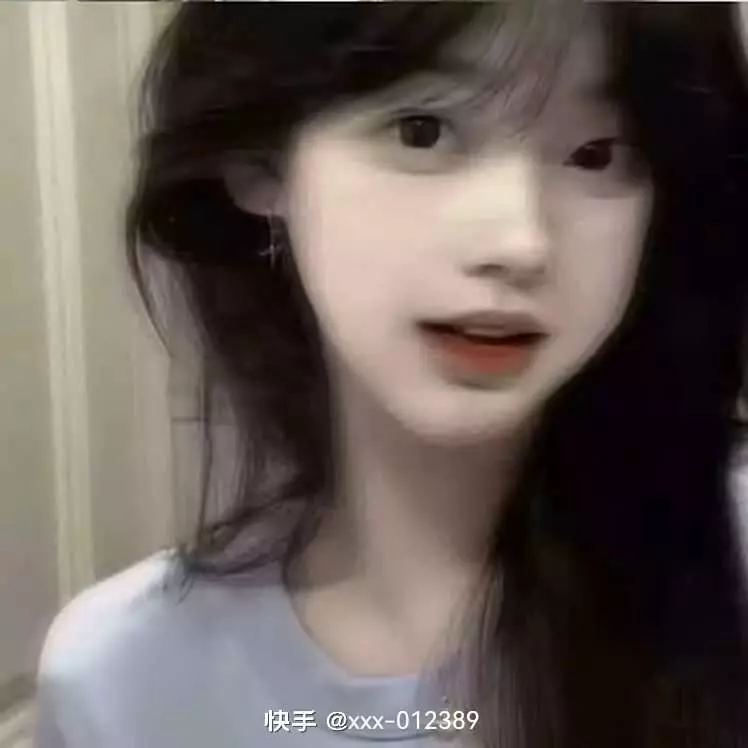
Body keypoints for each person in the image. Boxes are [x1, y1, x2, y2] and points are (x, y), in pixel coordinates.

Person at [33, 3, 748, 747]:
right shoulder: (123, 681)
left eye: (597, 154)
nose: (520, 242)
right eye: (422, 131)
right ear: (260, 163)